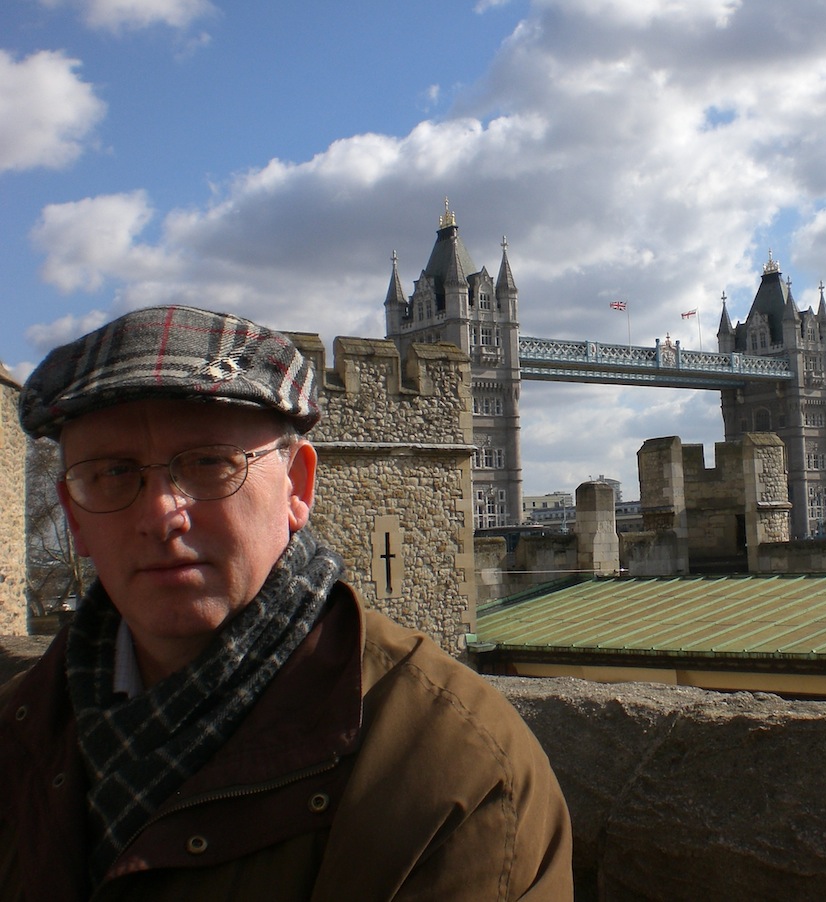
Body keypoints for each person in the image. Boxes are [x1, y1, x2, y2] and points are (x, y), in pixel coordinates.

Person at [0, 305, 573, 901]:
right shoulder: (20, 729)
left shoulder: (463, 771)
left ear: (297, 488)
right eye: (113, 473)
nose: (161, 515)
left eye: (207, 463)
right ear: (74, 516)